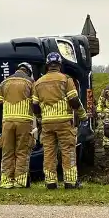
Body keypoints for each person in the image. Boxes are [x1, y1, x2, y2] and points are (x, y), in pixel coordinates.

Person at [32, 52, 84, 189]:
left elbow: (35, 106)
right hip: (64, 121)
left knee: (49, 152)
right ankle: (70, 182)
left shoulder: (38, 83)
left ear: (47, 66)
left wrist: (40, 119)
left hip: (47, 123)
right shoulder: (66, 79)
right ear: (59, 64)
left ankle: (50, 182)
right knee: (68, 150)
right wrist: (83, 115)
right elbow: (74, 101)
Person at [0, 62, 35, 189]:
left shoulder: (4, 82)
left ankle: (6, 182)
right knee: (22, 152)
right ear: (28, 71)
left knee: (7, 152)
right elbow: (35, 101)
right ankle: (20, 182)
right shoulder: (30, 82)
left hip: (7, 121)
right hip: (24, 121)